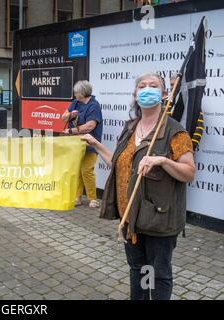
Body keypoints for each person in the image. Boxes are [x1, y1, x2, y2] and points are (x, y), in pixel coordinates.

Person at [81, 73, 195, 300]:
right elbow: (119, 164)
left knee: (158, 274)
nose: (147, 89)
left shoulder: (174, 131)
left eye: (153, 86)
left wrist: (162, 161)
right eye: (142, 86)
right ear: (135, 94)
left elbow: (189, 173)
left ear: (164, 95)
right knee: (139, 271)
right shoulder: (130, 127)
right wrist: (96, 144)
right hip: (130, 217)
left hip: (157, 220)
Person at [62, 80, 103, 208]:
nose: (74, 94)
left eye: (76, 92)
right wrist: (69, 114)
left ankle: (93, 199)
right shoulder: (75, 103)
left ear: (83, 93)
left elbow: (90, 126)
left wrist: (70, 131)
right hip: (75, 144)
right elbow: (63, 117)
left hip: (90, 143)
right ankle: (77, 197)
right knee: (77, 170)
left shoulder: (94, 105)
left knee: (87, 170)